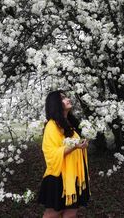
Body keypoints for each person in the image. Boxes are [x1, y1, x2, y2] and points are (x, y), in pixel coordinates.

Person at [37, 90, 91, 218]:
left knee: (71, 213)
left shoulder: (69, 123)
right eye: (63, 98)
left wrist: (82, 144)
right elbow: (50, 153)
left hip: (74, 175)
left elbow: (74, 144)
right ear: (56, 103)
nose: (68, 99)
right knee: (53, 214)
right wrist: (74, 146)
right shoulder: (51, 125)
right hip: (59, 176)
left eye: (66, 97)